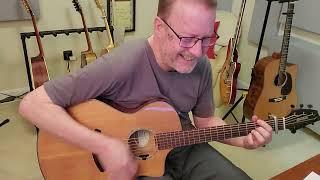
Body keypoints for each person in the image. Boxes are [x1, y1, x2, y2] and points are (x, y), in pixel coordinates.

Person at [19, 0, 273, 179]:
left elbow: (205, 123)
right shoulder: (123, 62)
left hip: (180, 143)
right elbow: (32, 104)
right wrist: (104, 146)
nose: (197, 52)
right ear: (160, 27)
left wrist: (244, 140)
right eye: (187, 38)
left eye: (206, 38)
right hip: (131, 162)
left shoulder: (202, 66)